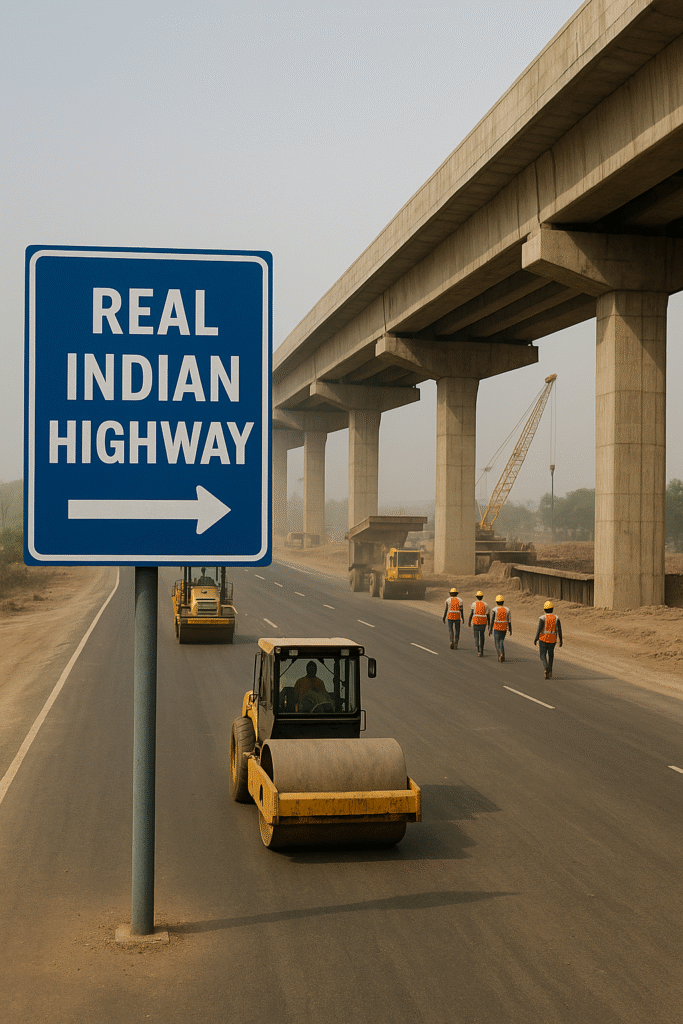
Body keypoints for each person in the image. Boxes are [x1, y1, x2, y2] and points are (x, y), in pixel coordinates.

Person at [534, 600, 563, 679]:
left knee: (542, 655)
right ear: (552, 609)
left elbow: (539, 629)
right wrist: (561, 640)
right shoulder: (556, 618)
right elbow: (559, 630)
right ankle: (550, 671)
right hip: (552, 640)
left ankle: (546, 667)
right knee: (551, 655)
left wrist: (536, 638)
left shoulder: (542, 617)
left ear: (544, 609)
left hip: (543, 639)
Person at [489, 594, 512, 662]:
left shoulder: (495, 609)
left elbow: (492, 620)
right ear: (503, 602)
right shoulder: (507, 610)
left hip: (496, 628)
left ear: (496, 602)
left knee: (496, 642)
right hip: (504, 628)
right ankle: (502, 653)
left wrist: (490, 629)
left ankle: (500, 655)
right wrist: (510, 629)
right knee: (501, 640)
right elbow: (509, 621)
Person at [468, 590, 490, 657]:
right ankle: (482, 651)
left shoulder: (474, 604)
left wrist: (469, 621)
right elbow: (488, 615)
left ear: (476, 596)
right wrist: (489, 624)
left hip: (476, 622)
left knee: (476, 637)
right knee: (482, 636)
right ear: (482, 597)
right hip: (483, 622)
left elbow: (471, 613)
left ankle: (478, 650)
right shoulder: (486, 604)